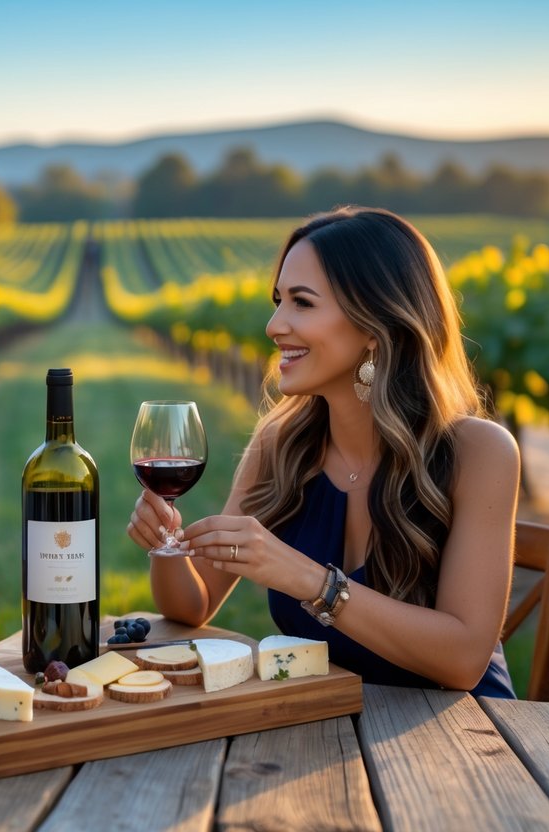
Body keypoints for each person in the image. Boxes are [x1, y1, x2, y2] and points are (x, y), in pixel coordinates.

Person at [127, 206, 519, 697]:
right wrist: (167, 545)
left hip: (466, 740)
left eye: (302, 303)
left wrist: (308, 579)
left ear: (374, 326)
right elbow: (193, 606)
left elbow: (463, 661)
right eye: (278, 301)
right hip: (328, 726)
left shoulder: (477, 452)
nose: (274, 325)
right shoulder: (280, 445)